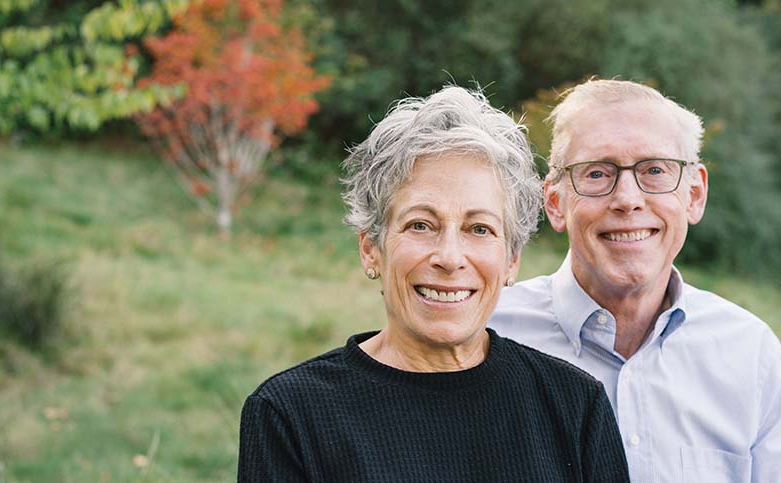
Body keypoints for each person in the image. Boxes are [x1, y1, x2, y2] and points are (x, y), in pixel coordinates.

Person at [237, 86, 630, 482]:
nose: (450, 257)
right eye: (420, 225)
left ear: (511, 260)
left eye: (479, 228)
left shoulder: (575, 404)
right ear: (371, 247)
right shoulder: (290, 414)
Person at [489, 78, 781, 483]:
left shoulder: (750, 354)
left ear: (695, 195)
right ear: (556, 202)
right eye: (597, 173)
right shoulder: (488, 336)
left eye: (654, 170)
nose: (628, 199)